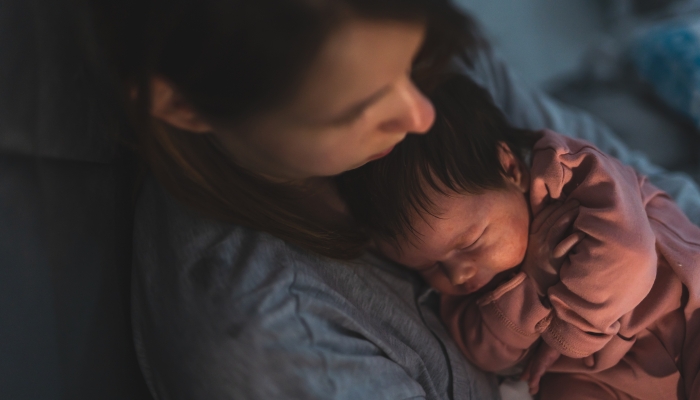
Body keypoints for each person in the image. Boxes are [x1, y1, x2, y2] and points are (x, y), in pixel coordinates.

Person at [86, 0, 700, 398]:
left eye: (417, 67)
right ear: (183, 106)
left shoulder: (405, 49)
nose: (419, 113)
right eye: (355, 109)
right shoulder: (277, 342)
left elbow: (643, 188)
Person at [338, 74, 700, 400]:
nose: (457, 274)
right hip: (605, 377)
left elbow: (630, 257)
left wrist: (565, 340)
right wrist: (532, 281)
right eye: (429, 266)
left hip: (682, 307)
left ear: (509, 169)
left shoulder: (574, 176)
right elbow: (486, 352)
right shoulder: (471, 293)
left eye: (470, 243)